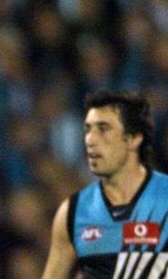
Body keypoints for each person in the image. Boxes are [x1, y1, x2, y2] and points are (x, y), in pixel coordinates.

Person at [42, 90, 168, 278]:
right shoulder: (73, 213)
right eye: (87, 129)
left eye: (103, 128)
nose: (90, 140)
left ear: (133, 139)